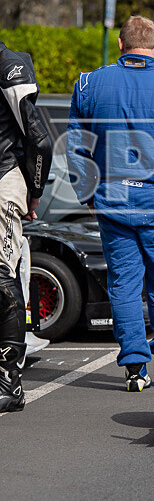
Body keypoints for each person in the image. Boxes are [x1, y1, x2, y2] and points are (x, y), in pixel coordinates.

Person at [67, 15, 154, 392]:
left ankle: (134, 367)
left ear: (120, 44)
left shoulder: (88, 84)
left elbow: (77, 147)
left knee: (124, 284)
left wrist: (88, 195)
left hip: (113, 200)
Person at [0, 41, 53, 412]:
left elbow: (42, 142)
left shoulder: (8, 65)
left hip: (2, 179)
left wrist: (33, 192)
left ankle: (8, 383)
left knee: (1, 279)